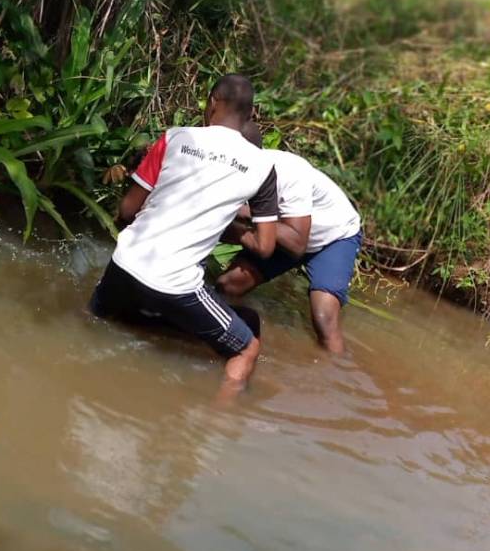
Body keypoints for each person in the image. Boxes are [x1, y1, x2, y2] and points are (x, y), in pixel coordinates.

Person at [90, 75, 278, 394]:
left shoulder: (175, 138)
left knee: (96, 319)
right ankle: (214, 429)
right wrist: (221, 228)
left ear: (213, 103)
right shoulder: (263, 167)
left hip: (124, 264)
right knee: (247, 347)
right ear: (251, 115)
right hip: (175, 284)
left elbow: (127, 210)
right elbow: (265, 246)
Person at [217, 125, 361, 355]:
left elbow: (296, 244)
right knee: (228, 285)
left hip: (332, 237)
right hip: (281, 233)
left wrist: (244, 214)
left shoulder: (290, 172)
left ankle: (335, 373)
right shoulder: (229, 169)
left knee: (323, 317)